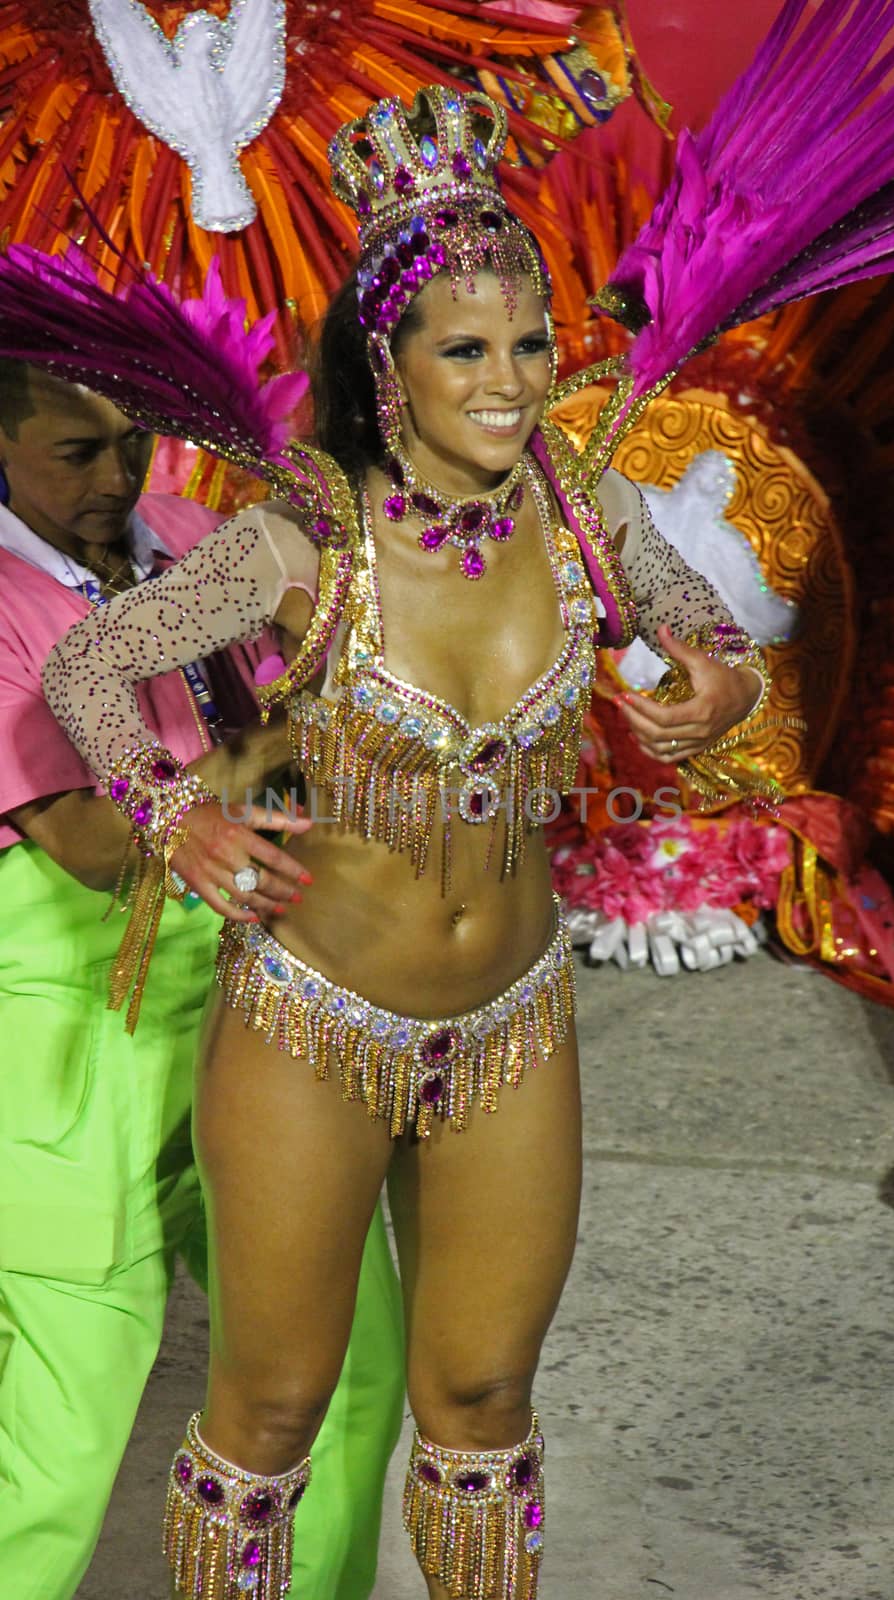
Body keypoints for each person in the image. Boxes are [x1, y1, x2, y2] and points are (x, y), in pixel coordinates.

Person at [29, 86, 771, 1600]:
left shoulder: (584, 506)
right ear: (386, 361)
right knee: (270, 1412)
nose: (506, 385)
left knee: (485, 1409)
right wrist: (176, 819)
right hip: (311, 1026)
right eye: (463, 350)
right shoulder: (298, 532)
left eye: (525, 345)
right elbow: (90, 669)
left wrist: (721, 672)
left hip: (510, 1026)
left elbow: (694, 620)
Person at [0, 363, 404, 1599]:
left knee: (350, 1372)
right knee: (60, 1452)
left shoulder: (181, 536)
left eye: (132, 446)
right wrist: (284, 744)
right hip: (80, 1051)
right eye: (77, 454)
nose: (118, 480)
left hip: (262, 1013)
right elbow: (94, 847)